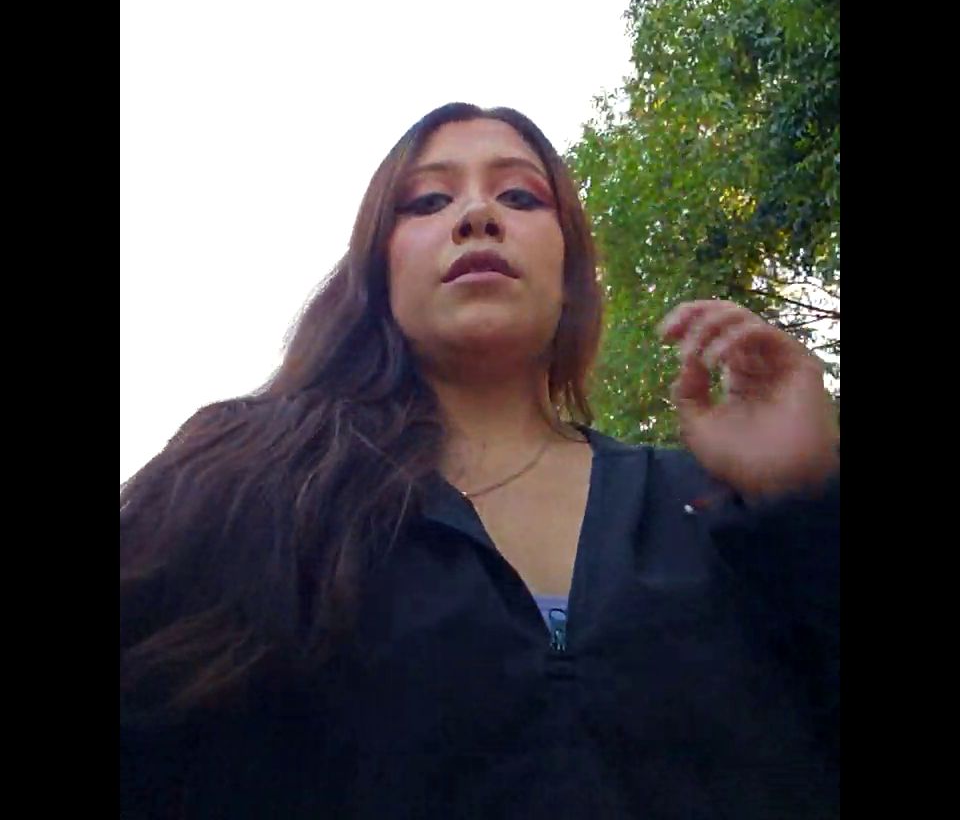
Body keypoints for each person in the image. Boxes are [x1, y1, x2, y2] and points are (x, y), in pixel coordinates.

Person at [121, 102, 840, 819]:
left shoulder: (713, 503)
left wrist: (805, 496)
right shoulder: (249, 475)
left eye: (520, 196)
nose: (476, 215)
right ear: (379, 268)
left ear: (571, 271)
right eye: (428, 201)